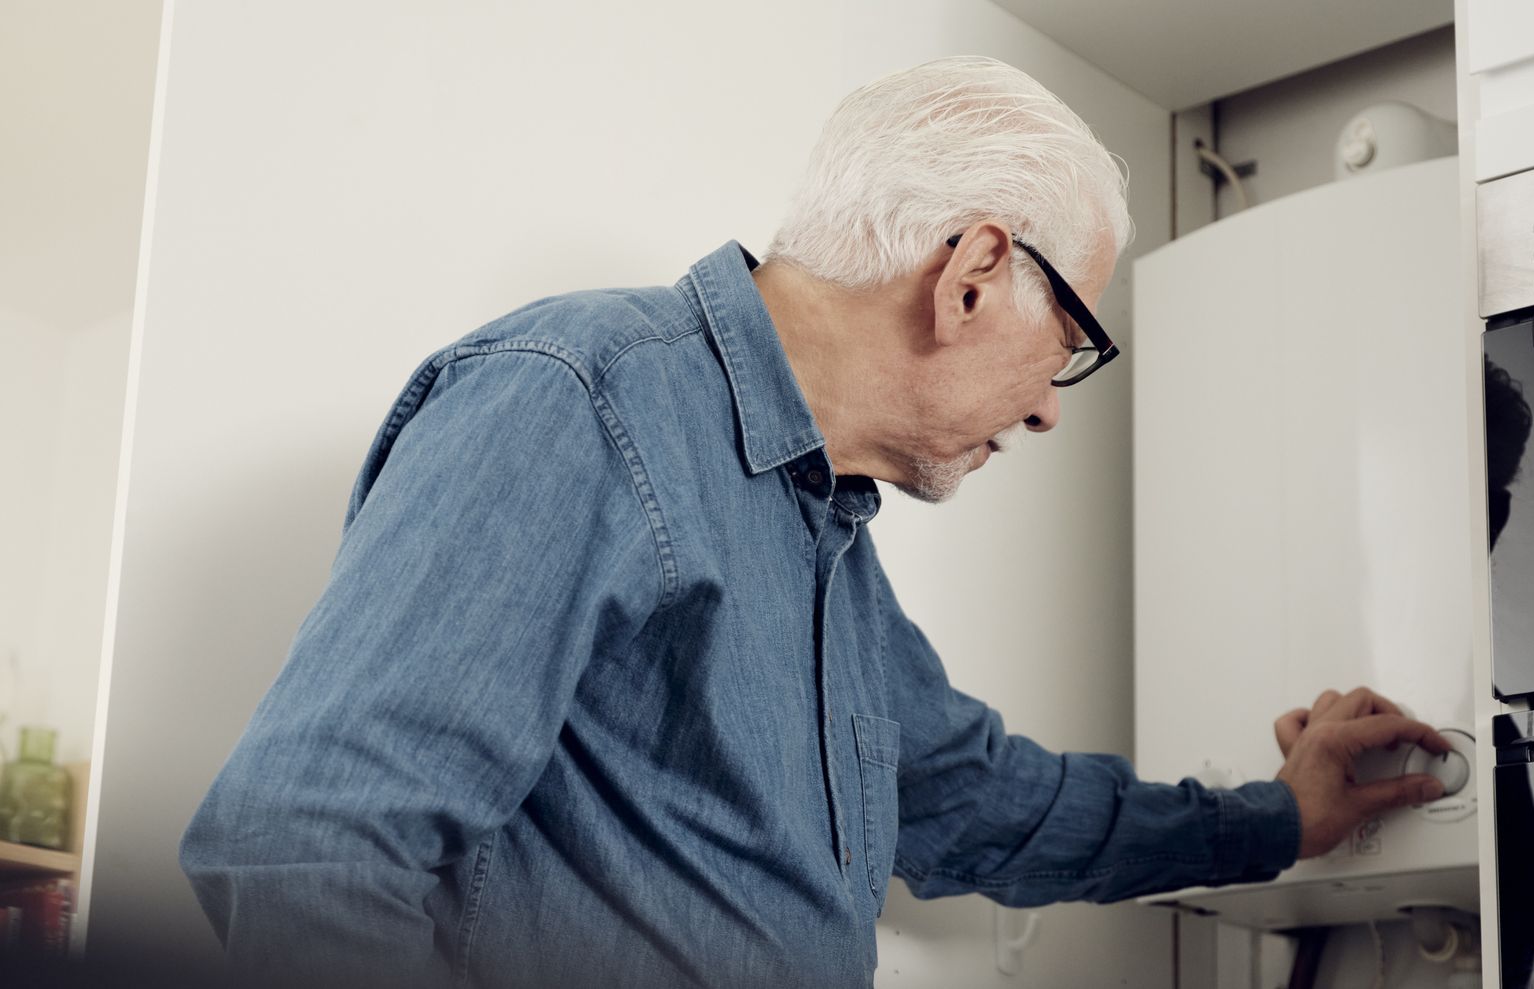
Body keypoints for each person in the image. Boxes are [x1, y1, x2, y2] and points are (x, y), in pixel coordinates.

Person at [179, 55, 1450, 988]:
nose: (1050, 412)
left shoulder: (821, 529)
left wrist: (1278, 817)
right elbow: (307, 843)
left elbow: (970, 800)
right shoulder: (576, 398)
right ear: (969, 276)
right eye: (1065, 345)